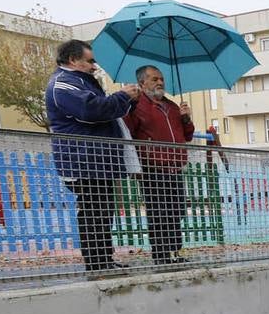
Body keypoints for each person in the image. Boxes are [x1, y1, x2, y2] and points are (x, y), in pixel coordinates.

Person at [45, 39, 139, 273]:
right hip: (83, 161)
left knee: (103, 210)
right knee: (93, 211)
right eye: (90, 61)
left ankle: (103, 259)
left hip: (97, 160)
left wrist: (128, 101)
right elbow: (92, 111)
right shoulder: (63, 84)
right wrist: (123, 96)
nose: (94, 66)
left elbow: (105, 110)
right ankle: (97, 262)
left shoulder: (80, 82)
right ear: (73, 60)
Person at [123, 65, 194, 264]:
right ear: (142, 83)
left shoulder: (171, 107)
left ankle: (175, 252)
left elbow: (187, 135)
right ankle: (161, 255)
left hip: (175, 166)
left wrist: (186, 118)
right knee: (159, 212)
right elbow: (128, 133)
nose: (160, 82)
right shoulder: (136, 106)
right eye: (154, 79)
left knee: (176, 210)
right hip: (152, 167)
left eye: (161, 79)